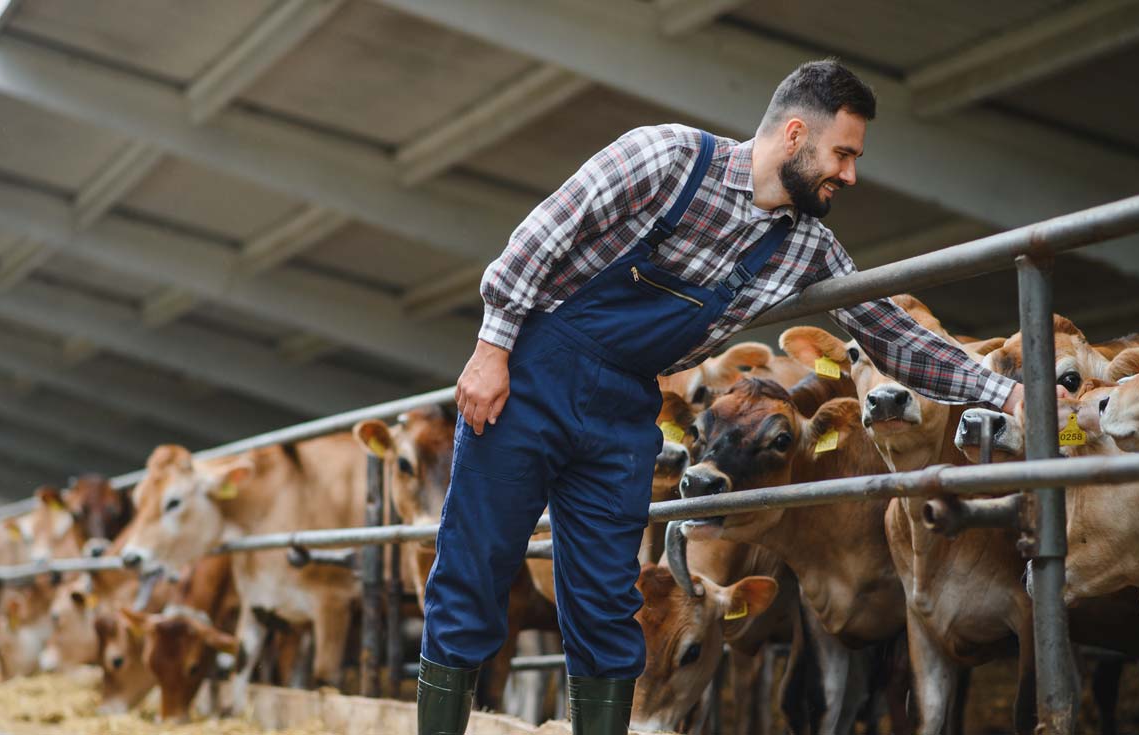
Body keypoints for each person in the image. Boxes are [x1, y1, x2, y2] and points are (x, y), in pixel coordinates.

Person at [415, 59, 1024, 735]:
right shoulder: (666, 157)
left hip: (624, 410)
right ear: (795, 135)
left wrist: (1006, 391)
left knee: (606, 604)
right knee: (475, 570)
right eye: (843, 153)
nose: (849, 174)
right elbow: (537, 238)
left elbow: (895, 334)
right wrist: (492, 347)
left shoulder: (807, 249)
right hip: (534, 376)